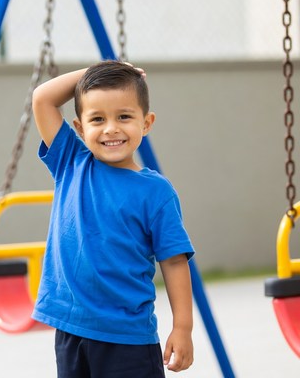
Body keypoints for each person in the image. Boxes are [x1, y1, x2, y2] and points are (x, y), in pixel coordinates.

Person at [31, 60, 195, 377]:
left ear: (146, 123)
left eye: (124, 116)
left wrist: (183, 327)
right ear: (80, 128)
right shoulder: (71, 161)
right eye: (97, 119)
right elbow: (43, 98)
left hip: (128, 338)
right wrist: (97, 71)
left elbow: (174, 261)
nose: (111, 128)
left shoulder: (156, 192)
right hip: (72, 330)